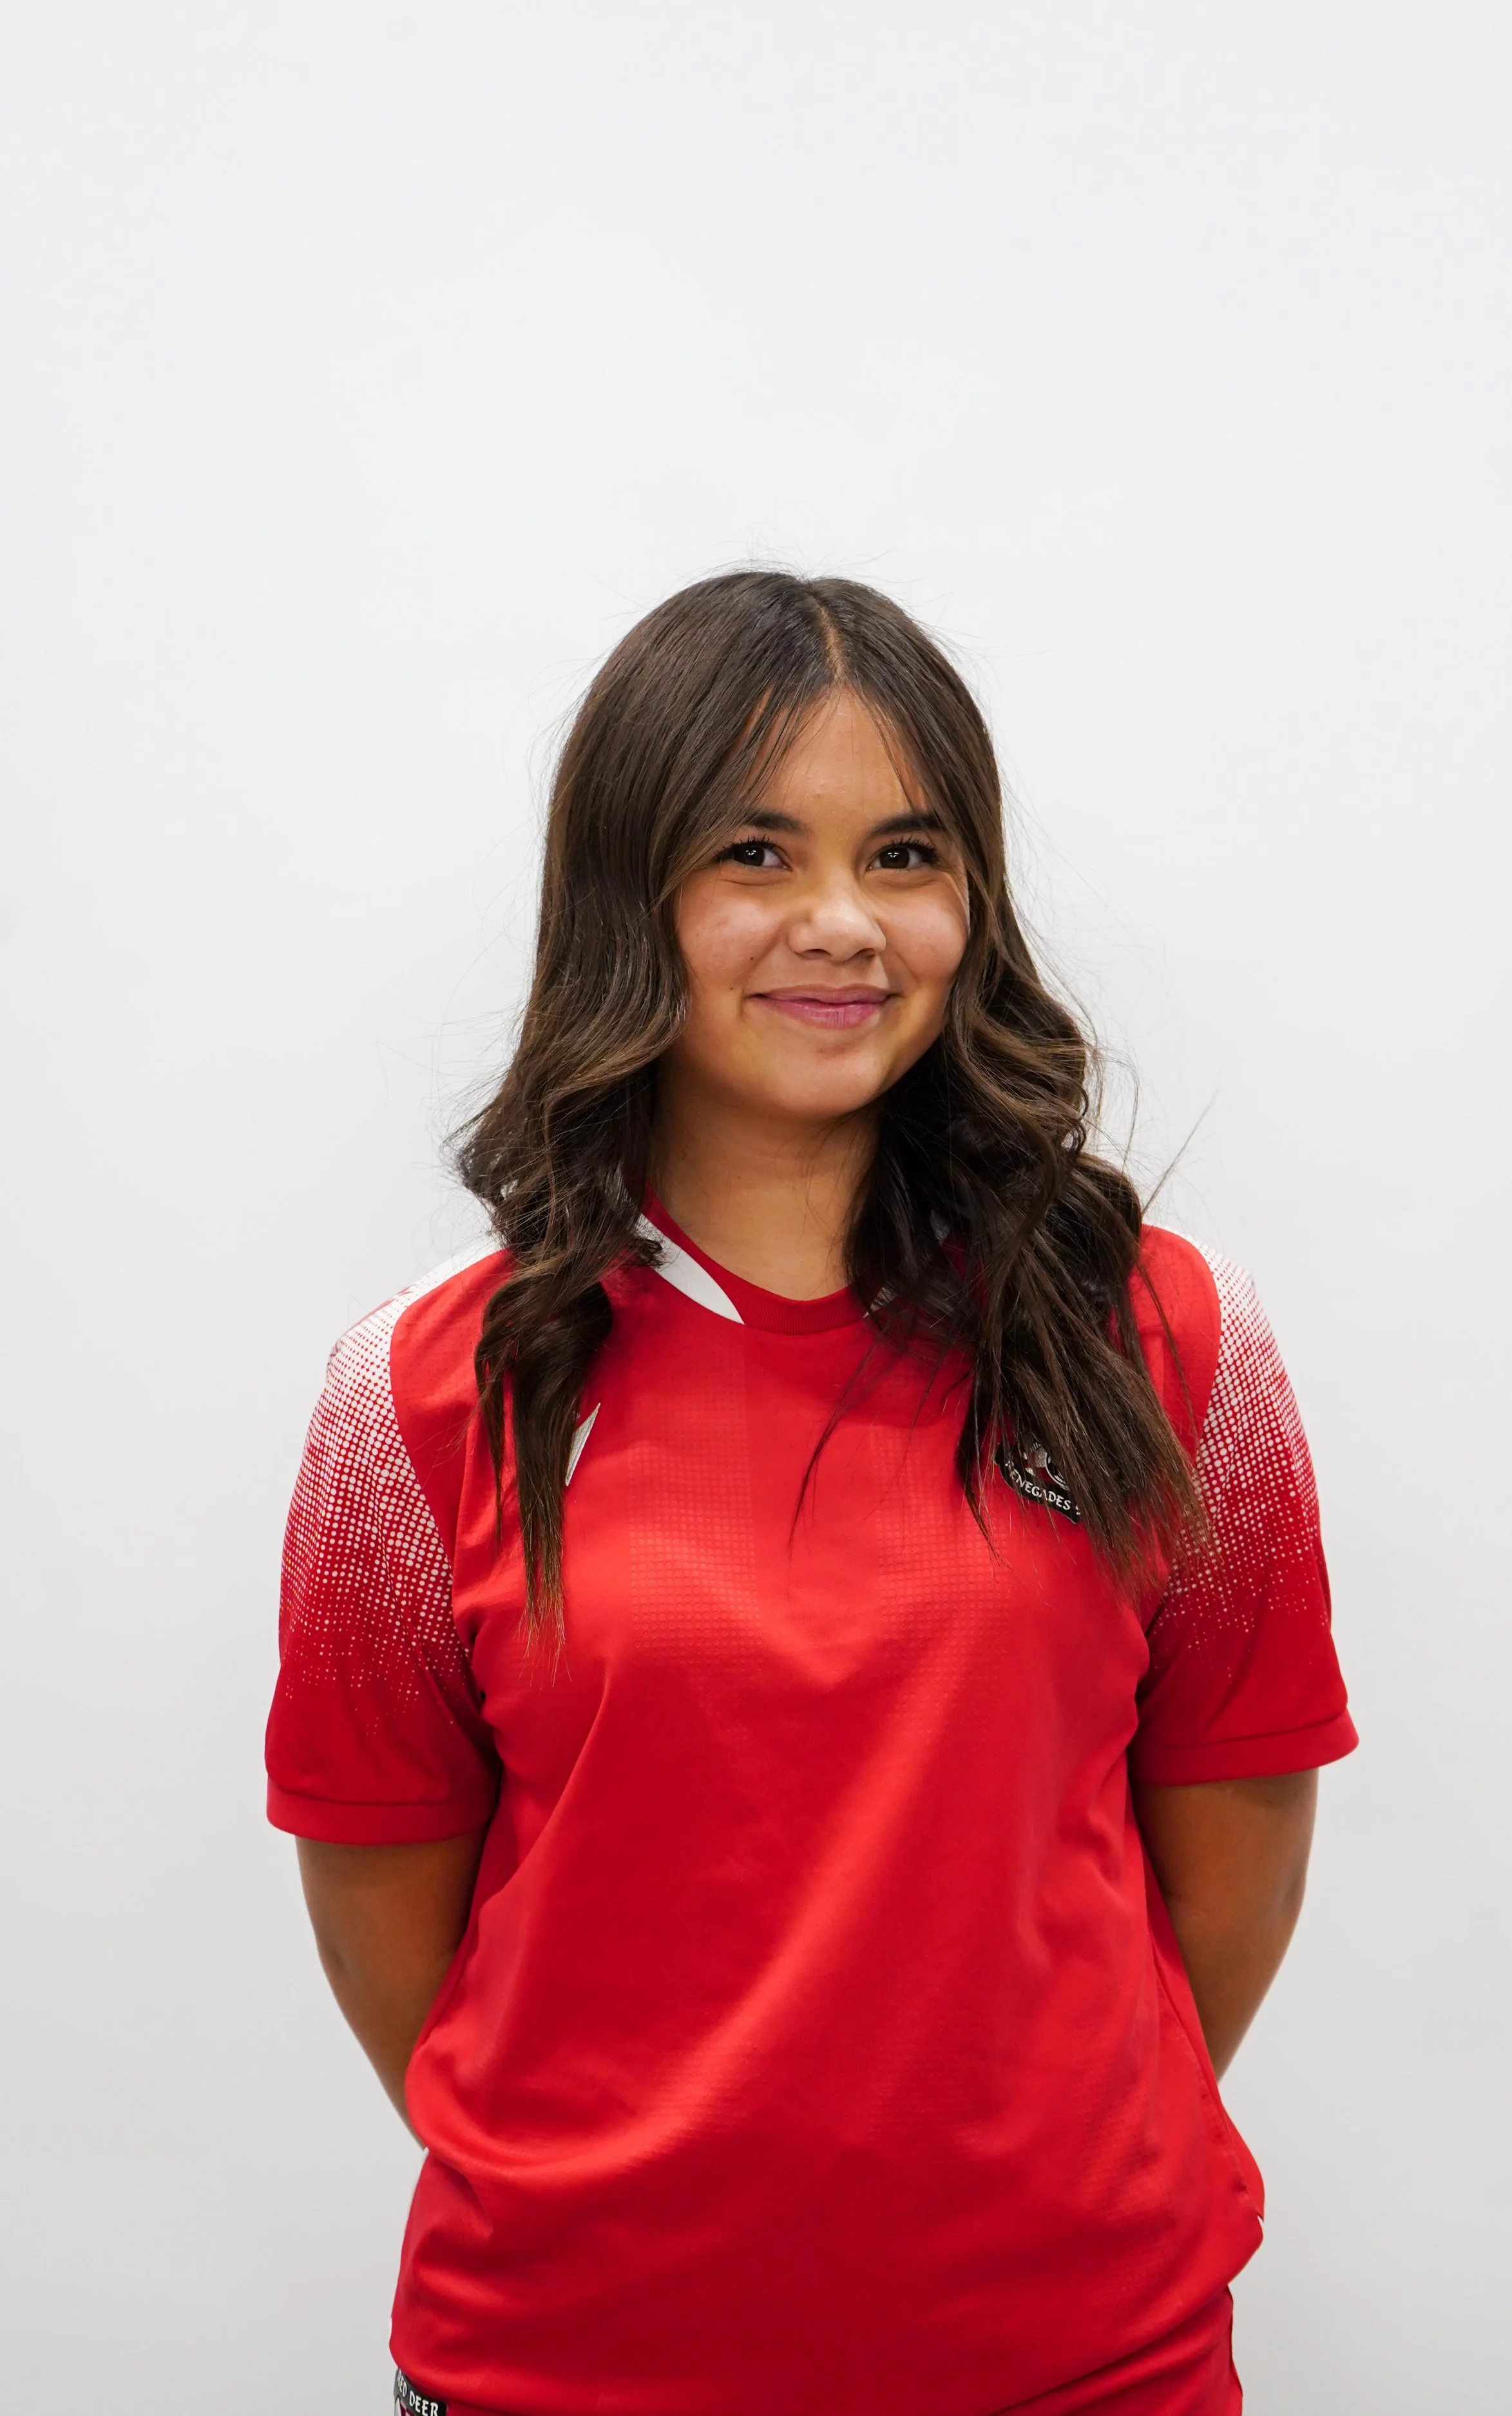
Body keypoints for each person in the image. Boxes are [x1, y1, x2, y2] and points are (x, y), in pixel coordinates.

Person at [267, 571, 1356, 2416]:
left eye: (907, 854)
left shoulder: (1164, 1338)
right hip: (562, 2367)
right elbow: (399, 1930)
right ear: (629, 895)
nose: (843, 925)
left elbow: (1227, 1863)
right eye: (756, 854)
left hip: (1084, 2364)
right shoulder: (422, 1393)